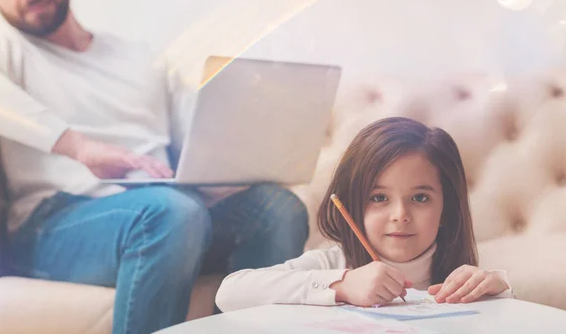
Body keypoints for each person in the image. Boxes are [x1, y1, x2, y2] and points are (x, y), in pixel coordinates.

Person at [0, 0, 309, 334]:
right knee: (170, 212)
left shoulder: (140, 57)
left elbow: (197, 134)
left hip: (173, 214)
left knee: (278, 209)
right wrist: (80, 147)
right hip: (56, 226)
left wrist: (236, 158)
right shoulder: (4, 52)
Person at [215, 117, 514, 312]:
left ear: (447, 207)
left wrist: (498, 288)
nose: (400, 215)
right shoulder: (331, 262)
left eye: (420, 198)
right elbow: (229, 293)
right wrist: (342, 286)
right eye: (379, 198)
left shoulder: (457, 275)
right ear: (353, 205)